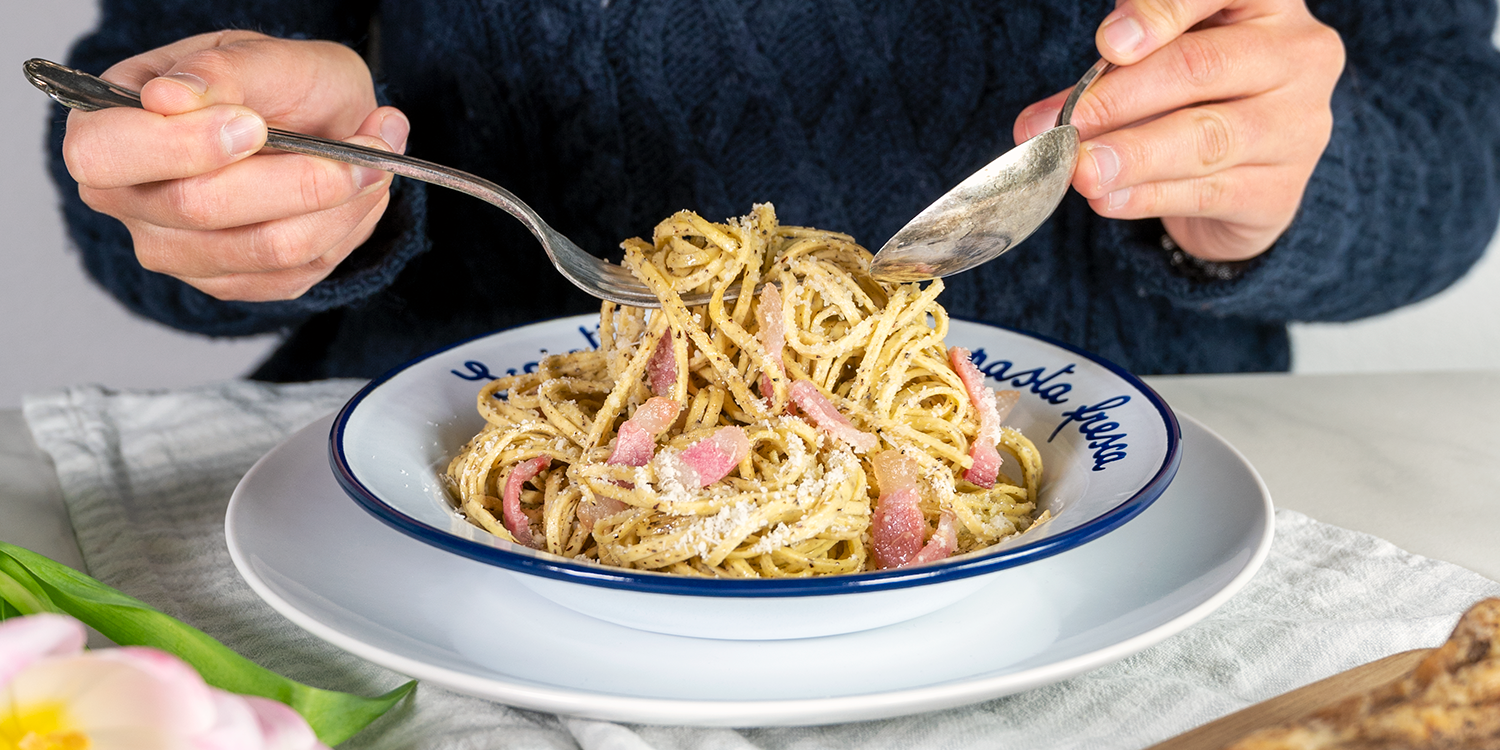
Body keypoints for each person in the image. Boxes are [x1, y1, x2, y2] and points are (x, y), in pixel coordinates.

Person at [49, 0, 1500, 380]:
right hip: (450, 492)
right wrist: (237, 178)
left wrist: (1289, 176)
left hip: (1115, 508)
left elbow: (1452, 131)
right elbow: (154, 94)